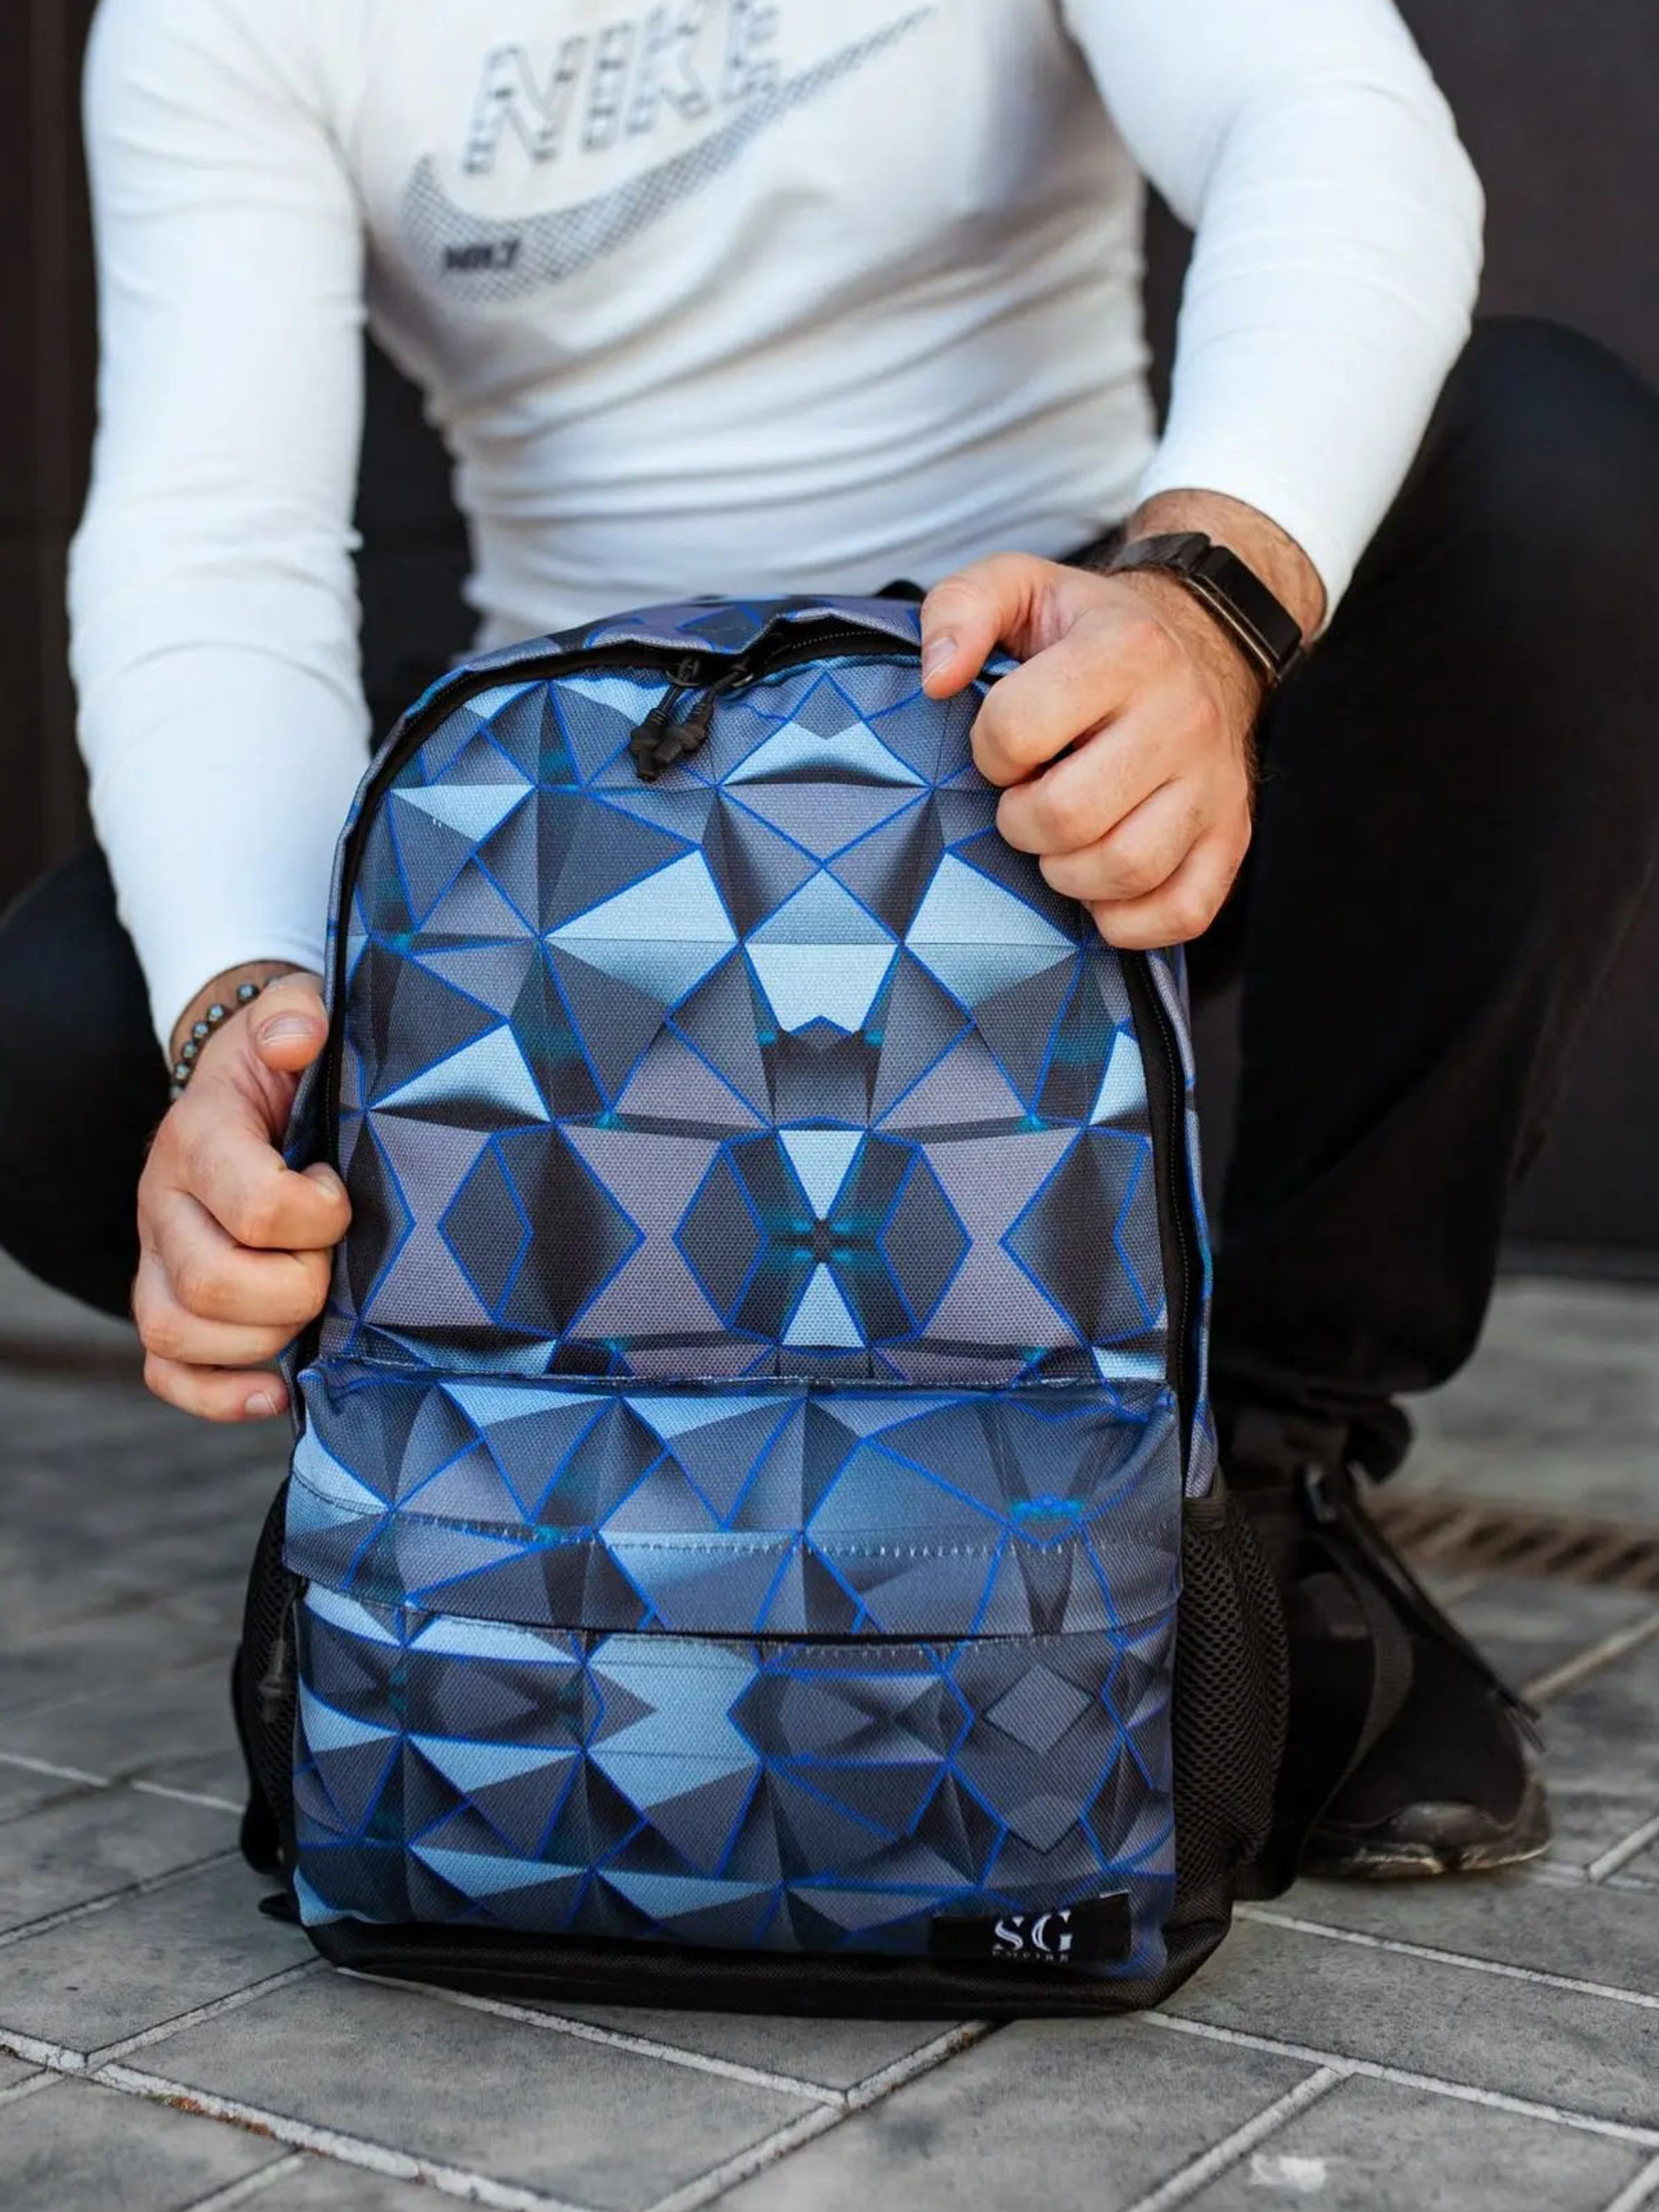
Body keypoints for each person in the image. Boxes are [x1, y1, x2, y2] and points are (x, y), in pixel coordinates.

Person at [6, 0, 1659, 1878]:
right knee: (77, 1035)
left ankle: (1268, 1482)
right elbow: (214, 538)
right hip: (613, 841)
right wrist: (240, 1023)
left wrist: (1199, 604)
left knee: (1545, 467)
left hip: (1063, 760)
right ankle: (514, 1471)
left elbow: (1319, 118)